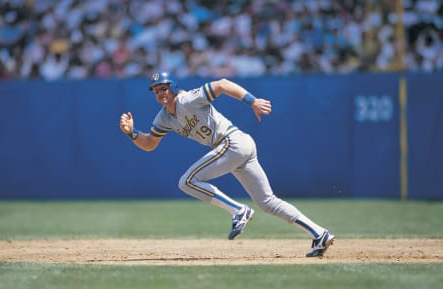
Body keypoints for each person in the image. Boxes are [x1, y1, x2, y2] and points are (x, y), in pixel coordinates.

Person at [119, 71, 334, 257]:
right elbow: (149, 143)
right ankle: (319, 234)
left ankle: (239, 211)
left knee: (187, 181)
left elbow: (222, 84)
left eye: (164, 88)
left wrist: (253, 101)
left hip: (232, 143)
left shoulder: (187, 100)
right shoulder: (163, 118)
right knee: (267, 202)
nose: (161, 93)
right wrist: (132, 133)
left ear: (173, 87)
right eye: (156, 91)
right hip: (238, 147)